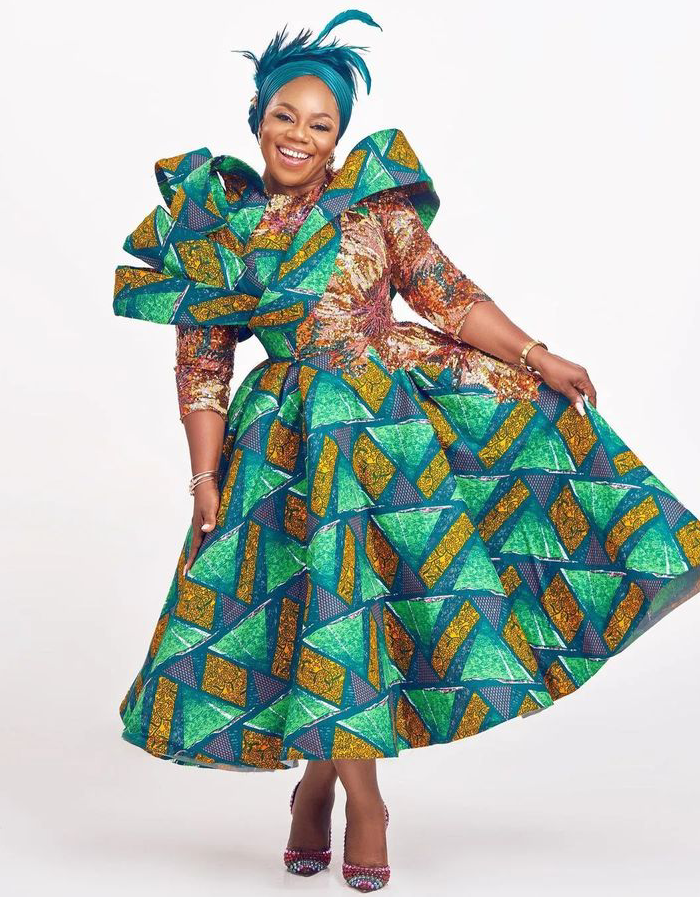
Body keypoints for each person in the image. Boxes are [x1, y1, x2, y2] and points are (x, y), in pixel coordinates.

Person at [112, 10, 700, 892]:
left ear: (339, 137)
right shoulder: (219, 229)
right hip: (287, 447)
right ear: (256, 118)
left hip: (391, 434)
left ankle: (332, 792)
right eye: (284, 116)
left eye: (321, 124)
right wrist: (204, 476)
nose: (299, 135)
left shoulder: (373, 210)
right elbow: (202, 364)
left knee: (360, 611)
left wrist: (537, 355)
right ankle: (358, 799)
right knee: (322, 610)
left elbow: (448, 297)